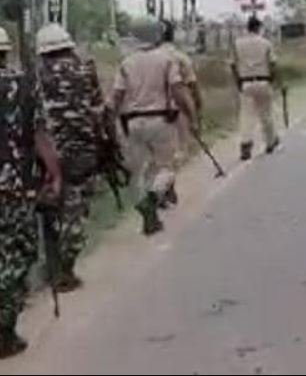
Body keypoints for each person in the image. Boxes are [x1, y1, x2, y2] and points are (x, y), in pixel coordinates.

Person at [33, 24, 109, 292]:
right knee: (75, 210)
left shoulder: (36, 75)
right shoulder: (85, 70)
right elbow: (99, 112)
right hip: (82, 152)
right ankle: (65, 270)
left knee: (48, 209)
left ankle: (49, 267)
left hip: (46, 154)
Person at [0, 52, 62, 357]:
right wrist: (53, 172)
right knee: (18, 257)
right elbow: (40, 135)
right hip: (13, 190)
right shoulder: (22, 85)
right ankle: (4, 331)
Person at [109, 19, 193, 235]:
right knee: (167, 167)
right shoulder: (166, 60)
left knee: (142, 170)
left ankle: (151, 218)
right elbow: (177, 90)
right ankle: (154, 197)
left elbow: (117, 96)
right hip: (161, 120)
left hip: (132, 122)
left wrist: (110, 120)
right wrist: (189, 111)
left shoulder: (126, 63)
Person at [160, 21, 202, 205]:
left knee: (159, 154)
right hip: (176, 110)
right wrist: (196, 109)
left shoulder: (141, 57)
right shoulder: (179, 57)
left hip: (148, 111)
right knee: (180, 151)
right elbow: (192, 86)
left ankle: (166, 186)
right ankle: (159, 187)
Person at [231, 16, 280, 161]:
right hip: (263, 80)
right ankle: (270, 141)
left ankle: (246, 143)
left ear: (247, 27)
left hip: (246, 82)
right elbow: (273, 63)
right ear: (259, 28)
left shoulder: (238, 44)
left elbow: (233, 65)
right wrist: (273, 79)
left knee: (246, 115)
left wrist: (238, 81)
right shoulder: (265, 43)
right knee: (266, 114)